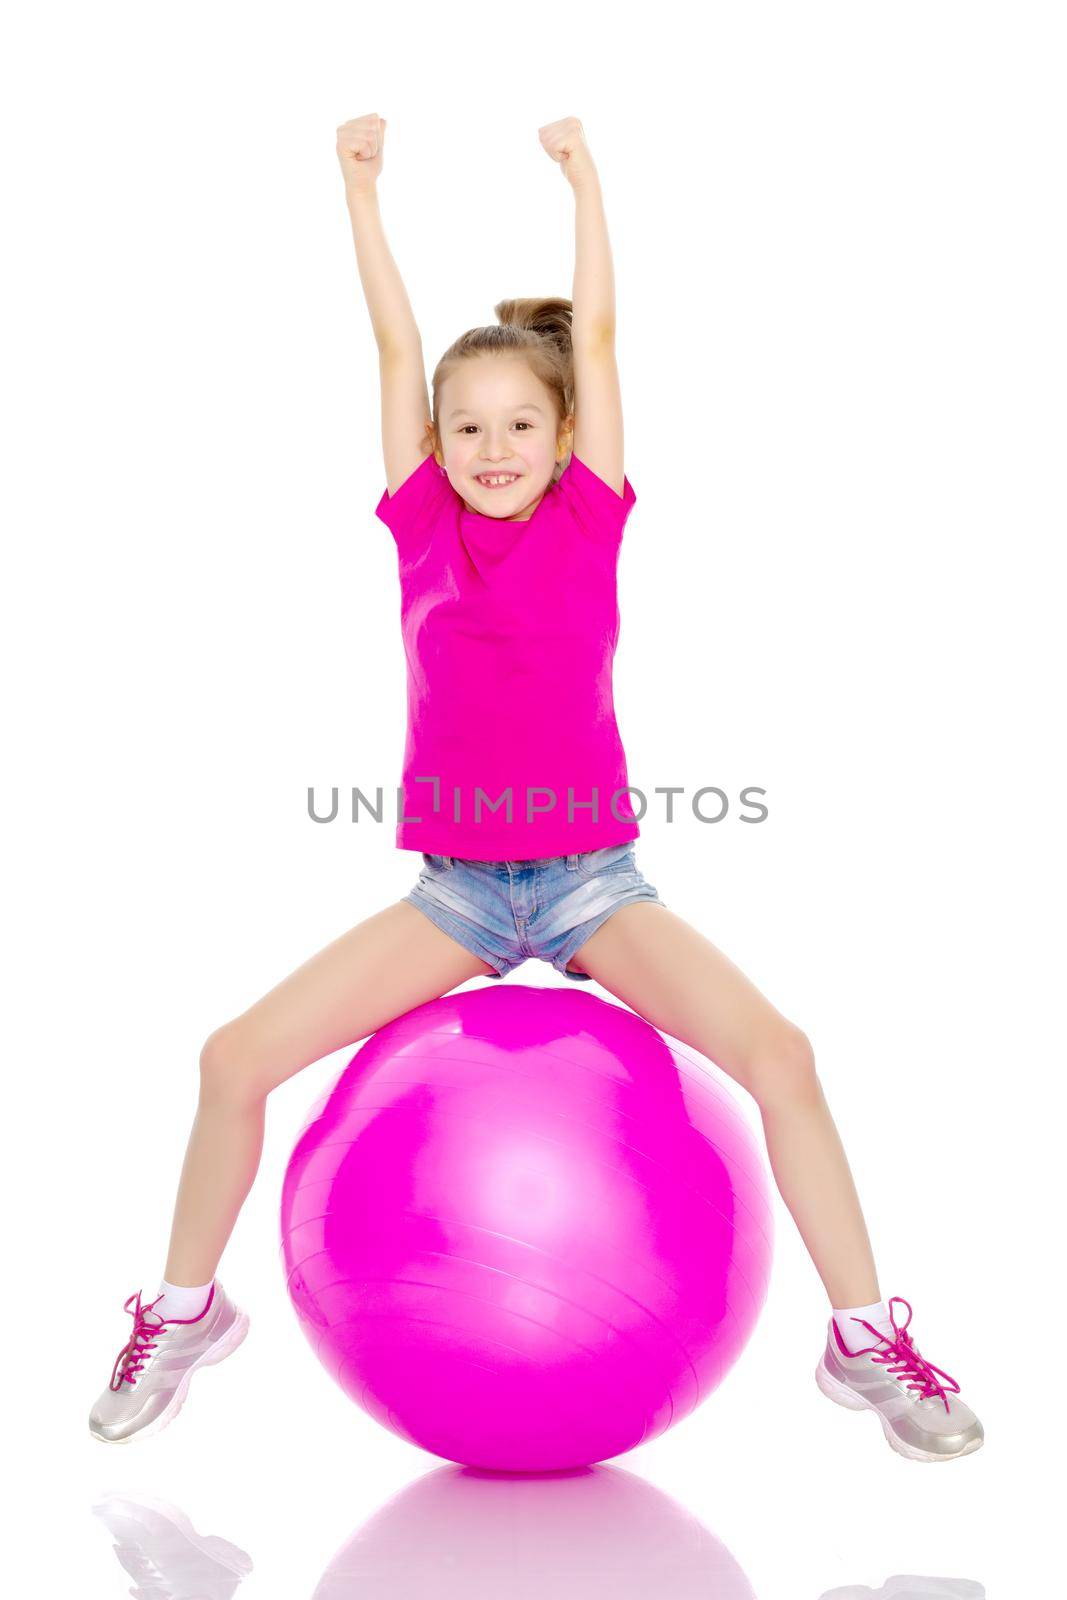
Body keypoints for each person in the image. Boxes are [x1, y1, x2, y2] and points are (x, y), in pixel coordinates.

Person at [90, 114, 982, 1463]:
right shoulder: (418, 523)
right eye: (466, 428)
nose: (490, 446)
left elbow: (606, 341)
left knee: (784, 1058)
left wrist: (584, 181)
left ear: (567, 436)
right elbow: (394, 349)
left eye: (520, 424)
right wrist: (359, 192)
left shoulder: (588, 516)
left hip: (588, 888)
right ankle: (183, 1311)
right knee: (230, 1061)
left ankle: (866, 1343)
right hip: (457, 894)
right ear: (435, 442)